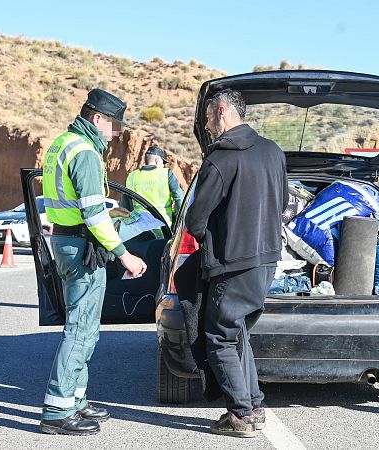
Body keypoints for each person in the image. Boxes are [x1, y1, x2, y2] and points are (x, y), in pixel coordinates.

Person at [39, 88, 147, 436]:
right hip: (83, 245)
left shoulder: (61, 143)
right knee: (80, 331)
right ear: (97, 118)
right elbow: (94, 214)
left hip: (67, 242)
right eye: (113, 125)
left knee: (83, 327)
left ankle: (76, 401)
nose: (115, 133)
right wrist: (124, 254)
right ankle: (57, 409)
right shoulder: (85, 153)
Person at [185, 88, 288, 437]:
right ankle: (253, 403)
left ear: (224, 111)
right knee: (238, 332)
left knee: (220, 337)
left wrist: (208, 238)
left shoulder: (220, 159)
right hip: (267, 261)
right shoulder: (273, 152)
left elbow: (196, 219)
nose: (208, 123)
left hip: (232, 263)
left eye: (210, 115)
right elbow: (284, 200)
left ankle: (241, 414)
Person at [122, 145, 184, 228]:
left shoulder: (131, 177)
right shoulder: (165, 174)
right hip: (162, 226)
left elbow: (125, 205)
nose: (163, 166)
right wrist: (180, 220)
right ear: (157, 160)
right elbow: (179, 197)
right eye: (163, 162)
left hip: (138, 227)